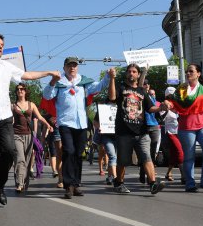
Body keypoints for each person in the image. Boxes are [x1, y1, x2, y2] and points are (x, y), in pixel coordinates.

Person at [0, 33, 60, 211]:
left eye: (2, 44)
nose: (0, 47)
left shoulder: (7, 67)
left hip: (4, 117)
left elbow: (28, 75)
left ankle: (0, 186)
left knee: (9, 153)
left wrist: (47, 72)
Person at [43, 57, 112, 199]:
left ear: (77, 67)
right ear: (64, 67)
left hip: (81, 124)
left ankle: (76, 184)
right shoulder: (59, 83)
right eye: (69, 65)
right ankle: (68, 185)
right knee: (69, 151)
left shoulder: (83, 82)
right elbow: (47, 95)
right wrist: (53, 81)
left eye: (74, 65)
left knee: (78, 153)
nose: (72, 68)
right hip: (65, 123)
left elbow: (99, 87)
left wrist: (108, 76)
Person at [165, 63, 203, 193]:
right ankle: (190, 184)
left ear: (198, 74)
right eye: (187, 71)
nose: (188, 73)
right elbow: (172, 102)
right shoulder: (181, 89)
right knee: (189, 156)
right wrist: (167, 103)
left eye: (191, 71)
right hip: (186, 126)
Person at [108, 64, 166, 195]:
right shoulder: (121, 87)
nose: (131, 74)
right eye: (129, 71)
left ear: (138, 75)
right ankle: (119, 183)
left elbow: (150, 108)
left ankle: (152, 184)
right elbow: (111, 98)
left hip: (142, 132)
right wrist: (112, 78)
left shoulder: (142, 91)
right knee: (123, 160)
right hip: (124, 132)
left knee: (147, 157)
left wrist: (161, 107)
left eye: (134, 72)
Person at [12, 82, 52, 193]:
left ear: (25, 91)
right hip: (16, 135)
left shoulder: (31, 104)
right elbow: (9, 120)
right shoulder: (13, 106)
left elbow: (39, 117)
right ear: (16, 92)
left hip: (29, 136)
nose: (20, 91)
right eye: (18, 89)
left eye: (22, 89)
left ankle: (24, 182)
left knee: (27, 160)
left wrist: (48, 125)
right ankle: (19, 184)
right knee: (20, 159)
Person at [162, 87, 184, 183]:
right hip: (170, 132)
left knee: (174, 154)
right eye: (170, 95)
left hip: (180, 131)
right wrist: (167, 109)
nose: (173, 97)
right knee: (179, 152)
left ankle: (168, 173)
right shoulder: (164, 105)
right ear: (167, 96)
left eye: (174, 95)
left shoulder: (178, 104)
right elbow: (161, 117)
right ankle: (184, 176)